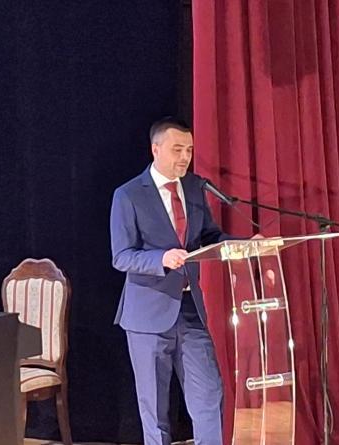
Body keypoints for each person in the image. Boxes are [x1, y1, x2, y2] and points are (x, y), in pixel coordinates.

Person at [110, 117, 237, 445]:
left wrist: (241, 245)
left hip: (190, 309)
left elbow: (208, 236)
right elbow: (121, 256)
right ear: (156, 149)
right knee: (155, 408)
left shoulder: (194, 188)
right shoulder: (128, 195)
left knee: (209, 394)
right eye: (177, 149)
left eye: (189, 150)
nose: (185, 157)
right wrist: (160, 259)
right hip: (147, 315)